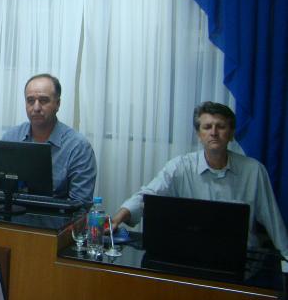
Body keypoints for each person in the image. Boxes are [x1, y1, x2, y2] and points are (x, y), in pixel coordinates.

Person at [111, 101, 288, 258]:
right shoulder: (180, 166)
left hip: (241, 258)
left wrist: (286, 258)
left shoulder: (254, 171)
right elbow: (148, 195)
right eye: (207, 127)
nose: (214, 133)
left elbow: (273, 220)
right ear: (198, 134)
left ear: (231, 133)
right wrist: (118, 218)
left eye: (221, 126)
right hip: (192, 255)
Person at [1, 74, 96, 204]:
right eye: (30, 101)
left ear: (58, 104)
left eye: (43, 100)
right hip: (10, 214)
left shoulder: (78, 147)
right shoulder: (11, 137)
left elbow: (80, 205)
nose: (36, 108)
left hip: (55, 217)